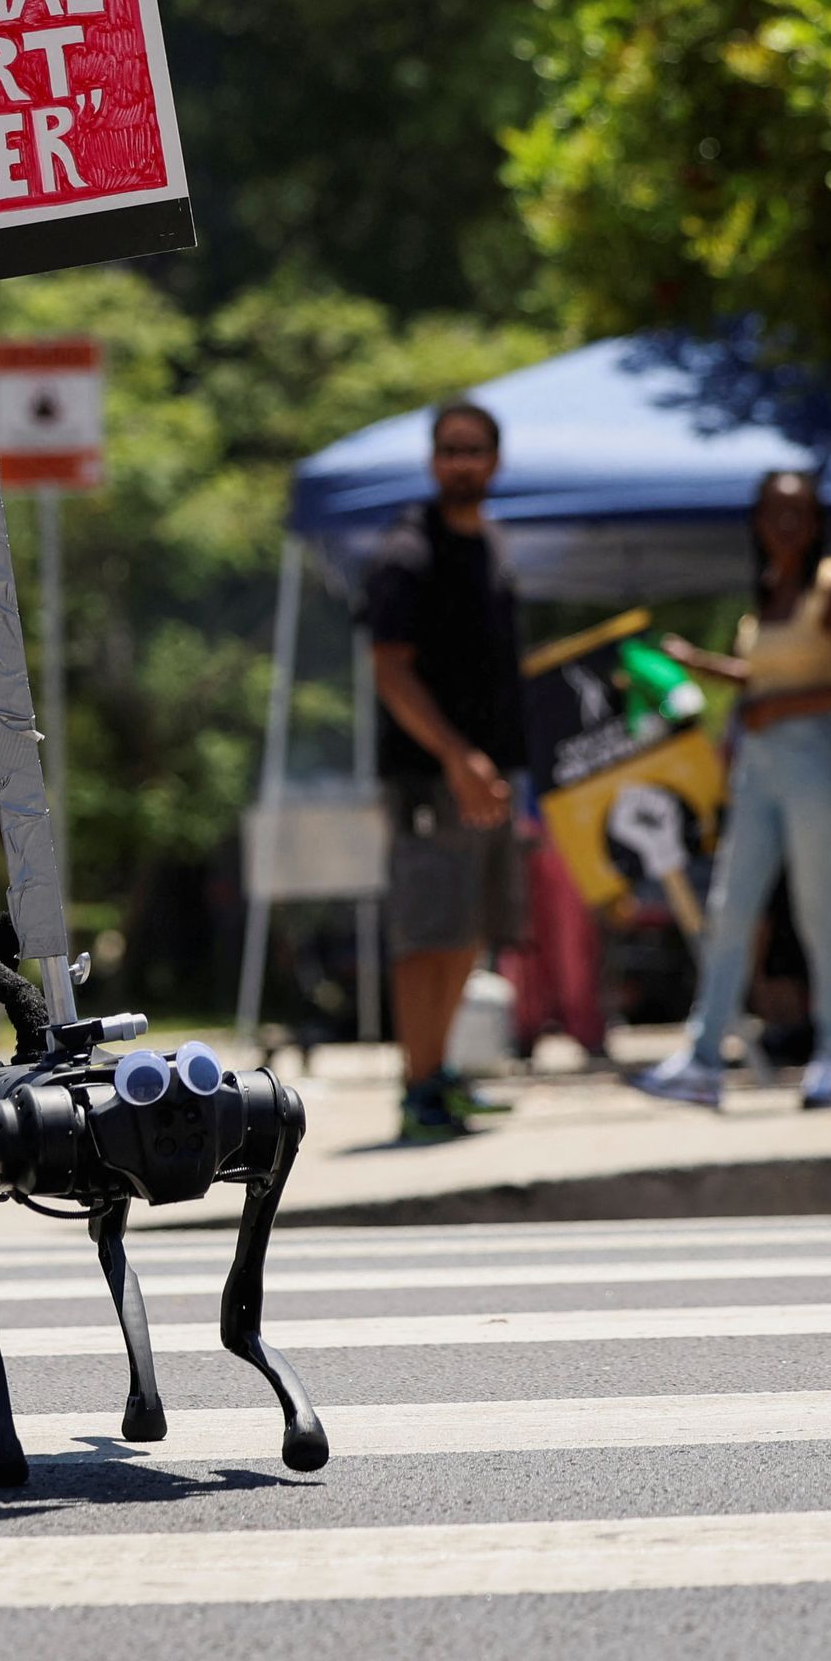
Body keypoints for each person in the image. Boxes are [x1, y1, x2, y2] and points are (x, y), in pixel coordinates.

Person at [632, 470, 831, 1111]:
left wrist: (782, 707)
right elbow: (759, 677)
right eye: (773, 512)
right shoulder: (767, 587)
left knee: (818, 914)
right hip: (759, 766)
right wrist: (701, 665)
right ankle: (704, 1058)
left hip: (817, 759)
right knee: (731, 909)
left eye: (798, 512)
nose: (785, 524)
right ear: (757, 522)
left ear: (815, 520)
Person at [359, 400, 530, 1143]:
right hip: (431, 779)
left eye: (475, 450)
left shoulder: (489, 543)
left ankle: (438, 1076)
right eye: (450, 450)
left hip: (489, 778)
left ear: (495, 461)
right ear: (434, 462)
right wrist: (458, 759)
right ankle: (415, 1088)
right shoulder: (409, 549)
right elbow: (390, 673)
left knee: (469, 932)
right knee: (426, 934)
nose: (462, 462)